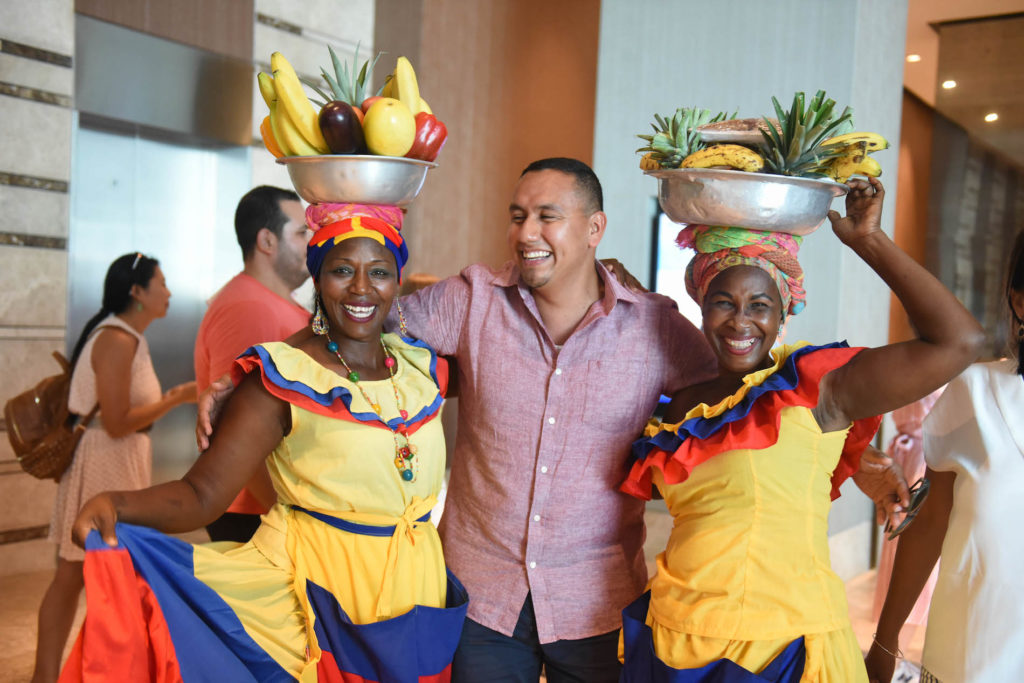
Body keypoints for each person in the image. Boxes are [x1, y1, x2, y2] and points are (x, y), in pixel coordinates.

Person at [64, 205, 467, 682]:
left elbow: (494, 326)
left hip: (413, 591)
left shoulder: (421, 368)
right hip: (317, 595)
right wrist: (114, 503)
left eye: (379, 272)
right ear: (316, 281)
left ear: (395, 283)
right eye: (342, 271)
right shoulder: (277, 379)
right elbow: (201, 495)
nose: (362, 288)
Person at [617, 177, 985, 682]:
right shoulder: (679, 408)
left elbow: (959, 342)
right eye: (723, 301)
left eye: (759, 305)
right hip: (675, 639)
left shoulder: (820, 389)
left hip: (787, 647)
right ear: (701, 305)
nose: (739, 321)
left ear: (784, 311)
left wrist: (868, 242)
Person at [866, 229, 1024, 683]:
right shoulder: (976, 393)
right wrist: (885, 641)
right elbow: (931, 521)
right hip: (974, 656)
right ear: (1019, 301)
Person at [31, 252, 197, 683]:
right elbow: (120, 421)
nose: (169, 291)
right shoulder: (117, 340)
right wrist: (177, 398)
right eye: (161, 282)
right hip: (104, 461)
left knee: (90, 573)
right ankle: (50, 675)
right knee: (76, 574)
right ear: (137, 292)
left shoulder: (128, 338)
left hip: (118, 459)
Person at [194, 185, 310, 542]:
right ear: (267, 241)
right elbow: (241, 425)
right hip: (257, 513)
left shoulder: (275, 302)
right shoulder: (249, 307)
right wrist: (290, 519)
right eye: (302, 232)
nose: (313, 242)